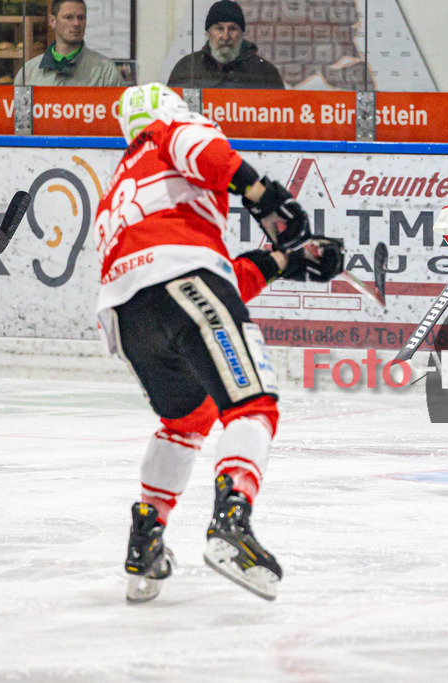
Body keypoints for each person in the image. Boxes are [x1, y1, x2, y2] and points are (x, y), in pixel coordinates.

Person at [98, 82, 344, 602]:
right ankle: (232, 523)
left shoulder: (123, 182)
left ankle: (146, 537)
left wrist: (285, 260)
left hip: (128, 314)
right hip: (182, 281)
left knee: (186, 421)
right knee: (253, 404)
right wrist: (265, 198)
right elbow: (208, 155)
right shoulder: (171, 133)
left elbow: (211, 277)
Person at [167, 0, 284, 90]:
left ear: (242, 33)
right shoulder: (187, 68)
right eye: (219, 28)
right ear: (208, 33)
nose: (225, 36)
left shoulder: (265, 73)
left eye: (232, 29)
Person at [14, 0, 124, 86]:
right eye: (69, 17)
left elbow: (119, 112)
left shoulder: (105, 72)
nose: (76, 23)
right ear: (52, 21)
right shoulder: (29, 72)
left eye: (81, 18)